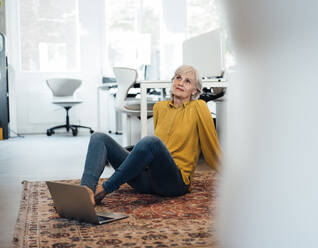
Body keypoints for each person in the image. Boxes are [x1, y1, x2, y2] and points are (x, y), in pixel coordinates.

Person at [80, 65, 221, 205]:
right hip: (147, 180)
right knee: (99, 138)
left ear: (195, 90)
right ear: (173, 81)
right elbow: (158, 148)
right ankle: (85, 193)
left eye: (187, 81)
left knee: (151, 141)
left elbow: (211, 147)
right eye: (178, 77)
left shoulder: (199, 107)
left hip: (173, 183)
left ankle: (105, 188)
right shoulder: (159, 107)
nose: (181, 83)